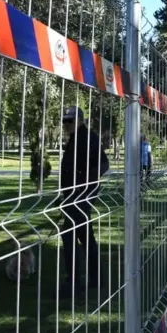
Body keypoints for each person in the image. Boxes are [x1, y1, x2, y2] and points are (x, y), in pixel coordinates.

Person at [57, 106, 109, 297]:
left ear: (80, 120)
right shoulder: (74, 139)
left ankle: (74, 284)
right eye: (65, 121)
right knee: (85, 238)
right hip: (72, 196)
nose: (67, 125)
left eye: (70, 121)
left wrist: (86, 185)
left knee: (69, 236)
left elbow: (104, 164)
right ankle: (96, 280)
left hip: (81, 196)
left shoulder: (89, 138)